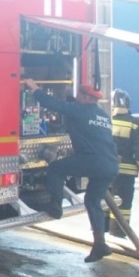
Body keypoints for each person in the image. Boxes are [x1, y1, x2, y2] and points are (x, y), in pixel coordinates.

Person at [23, 79, 119, 263]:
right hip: (111, 164)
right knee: (92, 201)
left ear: (84, 97)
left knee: (56, 169)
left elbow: (54, 104)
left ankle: (55, 207)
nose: (76, 98)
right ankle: (99, 244)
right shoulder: (104, 116)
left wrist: (35, 89)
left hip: (93, 161)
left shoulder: (80, 110)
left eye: (79, 95)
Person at [107, 89, 139, 238]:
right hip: (125, 175)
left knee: (104, 199)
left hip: (105, 170)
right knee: (123, 204)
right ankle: (118, 231)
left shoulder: (106, 120)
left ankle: (100, 228)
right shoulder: (134, 125)